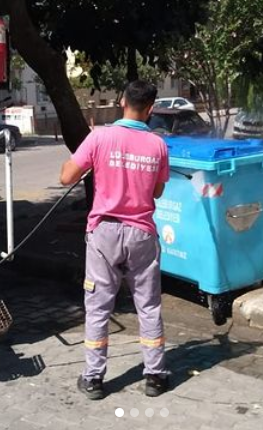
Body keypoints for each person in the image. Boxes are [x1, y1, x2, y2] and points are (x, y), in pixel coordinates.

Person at [59, 80, 170, 400]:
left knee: (98, 308)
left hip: (104, 234)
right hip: (141, 234)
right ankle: (156, 377)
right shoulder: (158, 145)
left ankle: (93, 379)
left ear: (122, 101)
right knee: (148, 306)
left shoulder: (99, 137)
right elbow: (158, 192)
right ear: (149, 109)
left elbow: (66, 176)